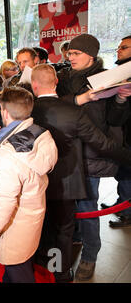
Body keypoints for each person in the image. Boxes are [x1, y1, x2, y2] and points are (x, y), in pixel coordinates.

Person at [30, 63, 131, 282]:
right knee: (63, 231)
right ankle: (61, 272)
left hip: (35, 180)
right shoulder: (73, 113)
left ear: (33, 84)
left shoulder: (28, 109)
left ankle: (45, 260)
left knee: (43, 224)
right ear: (56, 81)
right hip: (66, 182)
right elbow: (103, 144)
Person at [56, 33, 131, 281]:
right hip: (66, 150)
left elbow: (114, 121)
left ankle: (90, 255)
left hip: (90, 153)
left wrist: (120, 99)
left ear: (91, 55)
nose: (71, 57)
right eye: (70, 53)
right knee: (69, 206)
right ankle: (75, 240)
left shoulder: (109, 77)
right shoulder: (64, 78)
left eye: (76, 54)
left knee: (87, 205)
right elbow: (53, 106)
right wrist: (79, 99)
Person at [0, 87, 58, 283]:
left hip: (13, 228)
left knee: (19, 271)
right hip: (27, 219)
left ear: (4, 112)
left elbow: (1, 205)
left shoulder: (8, 158)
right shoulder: (39, 133)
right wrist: (3, 136)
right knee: (19, 265)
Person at [101, 35, 131, 228]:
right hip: (123, 131)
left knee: (128, 172)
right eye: (118, 47)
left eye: (124, 47)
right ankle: (121, 204)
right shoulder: (120, 72)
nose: (119, 50)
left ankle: (127, 212)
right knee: (123, 172)